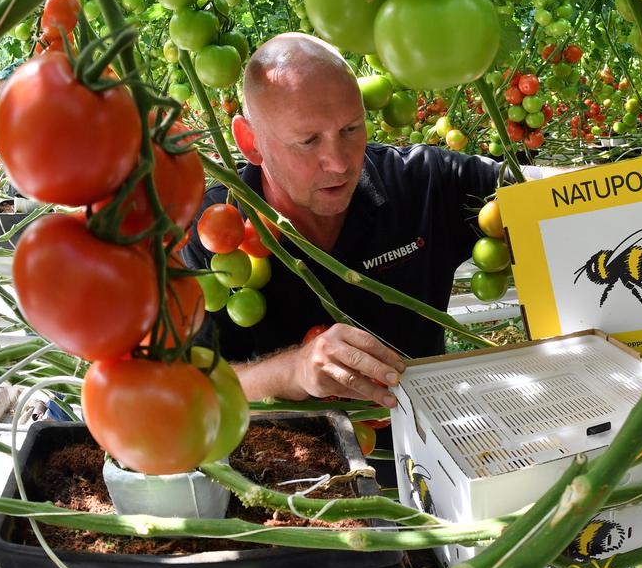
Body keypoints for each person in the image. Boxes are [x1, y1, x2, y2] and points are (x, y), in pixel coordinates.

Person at [180, 33, 558, 410]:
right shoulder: (210, 236)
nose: (340, 162)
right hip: (284, 464)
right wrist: (291, 371)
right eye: (308, 141)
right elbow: (188, 388)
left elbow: (555, 193)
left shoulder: (419, 183)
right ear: (251, 143)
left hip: (424, 445)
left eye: (351, 129)